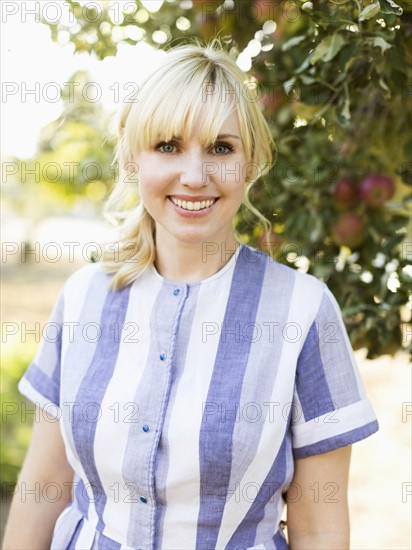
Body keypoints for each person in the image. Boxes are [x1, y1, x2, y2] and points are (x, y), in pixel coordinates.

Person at [3, 40, 379, 550]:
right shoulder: (83, 298)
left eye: (222, 148)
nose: (195, 176)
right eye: (168, 146)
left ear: (251, 164)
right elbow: (42, 492)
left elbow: (320, 527)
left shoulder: (304, 310)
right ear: (134, 160)